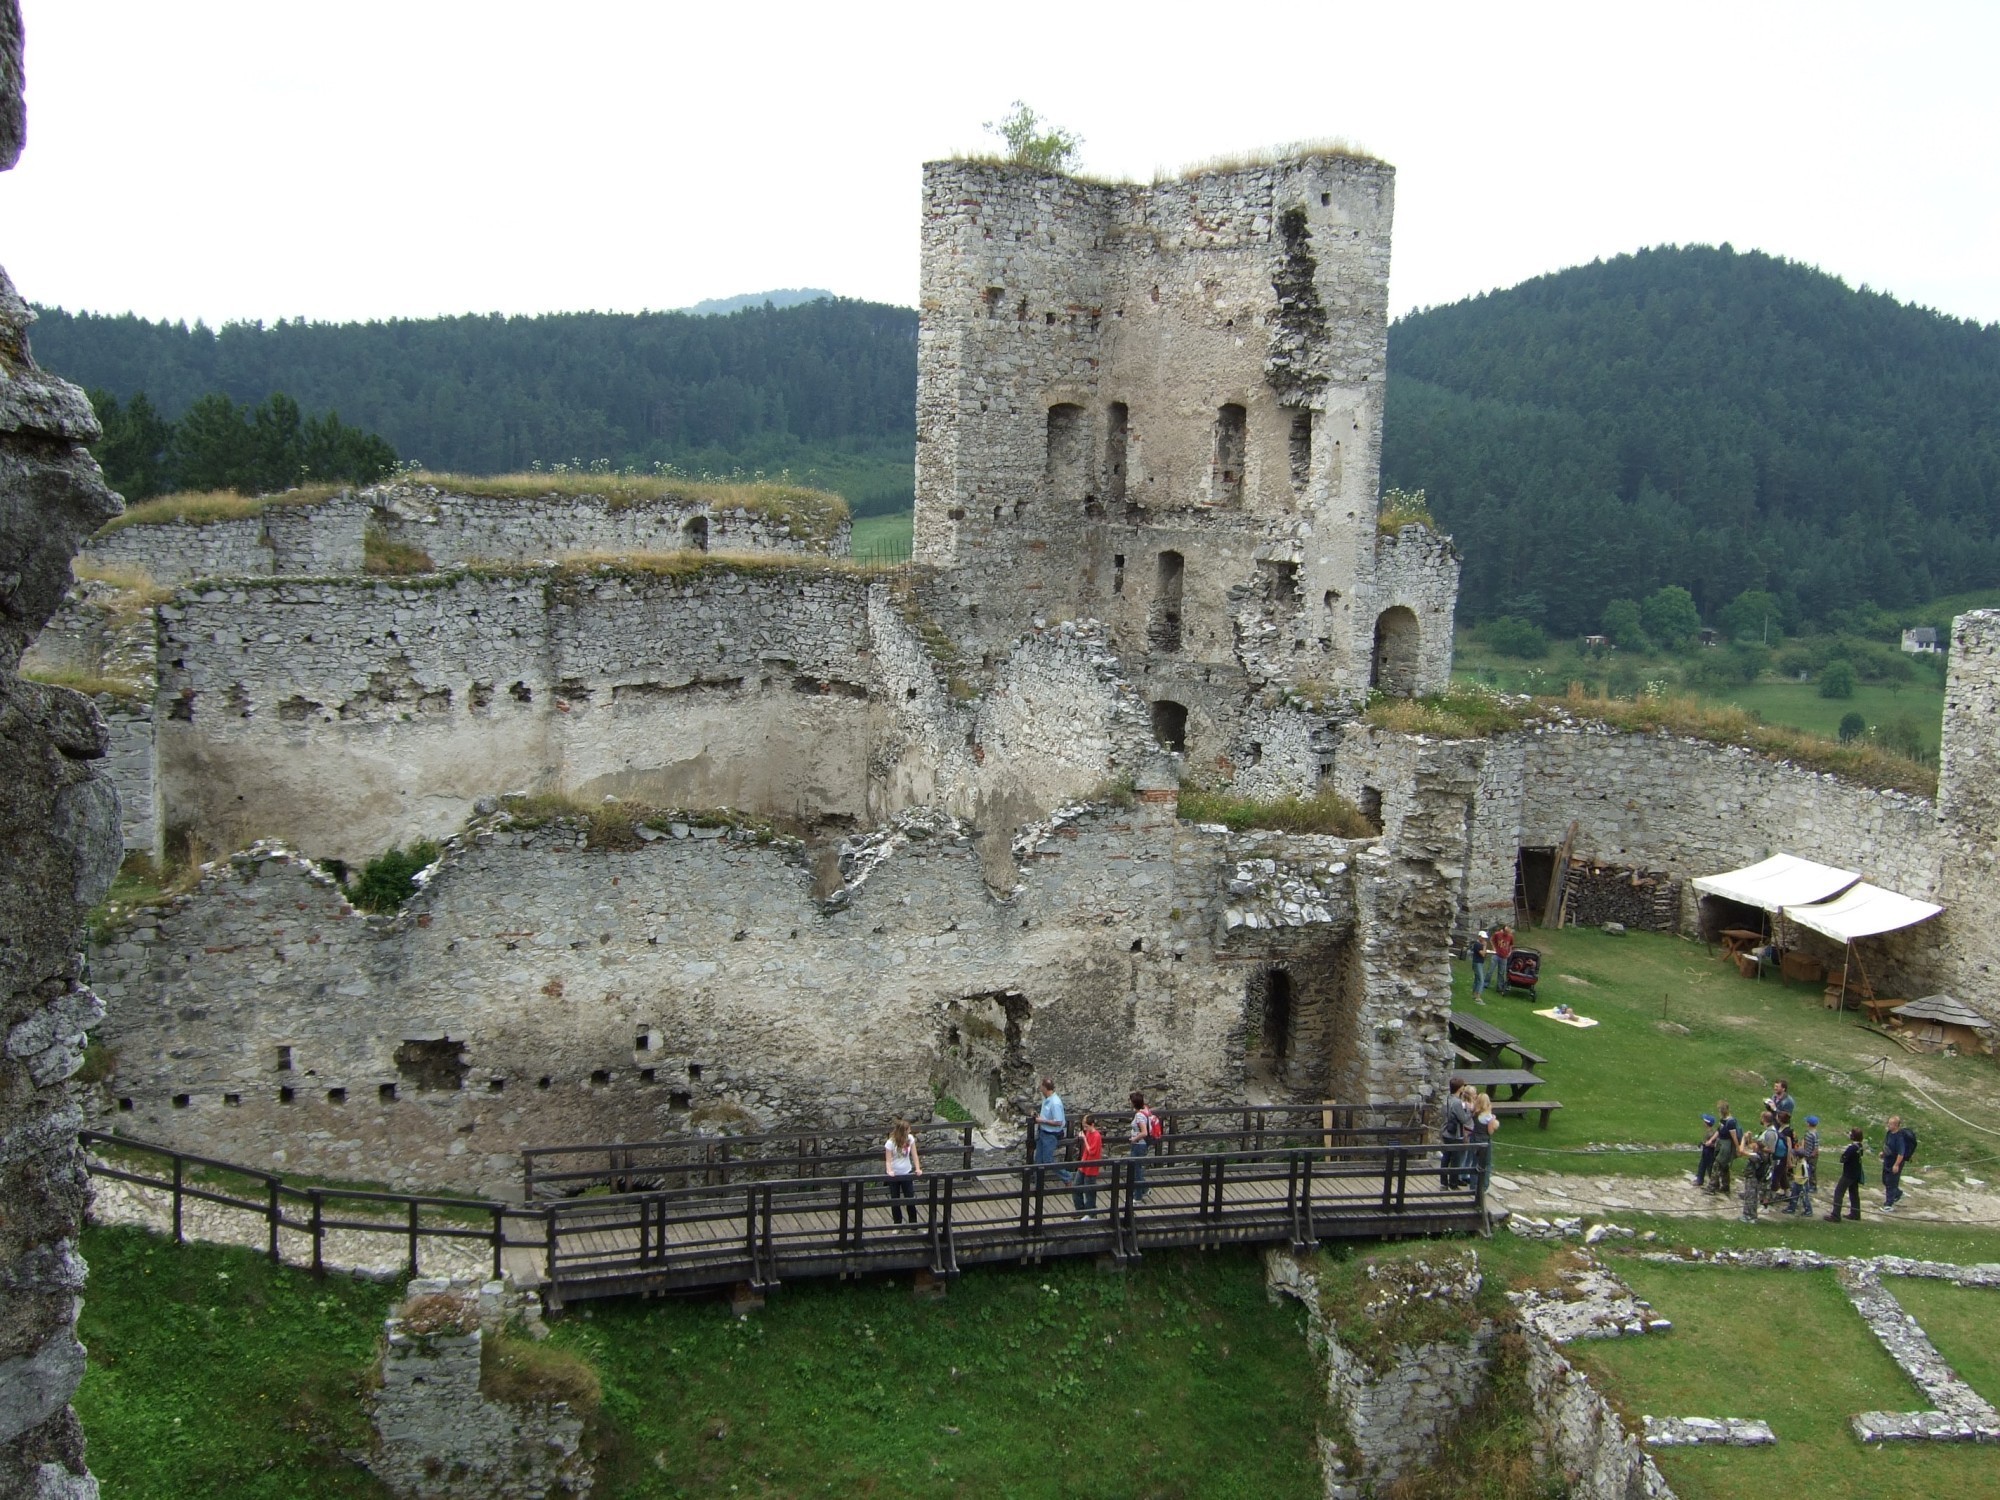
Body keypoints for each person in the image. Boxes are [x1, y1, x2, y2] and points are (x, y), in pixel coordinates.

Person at [884, 1117, 922, 1226]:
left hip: (906, 1172)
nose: (909, 1131)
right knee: (895, 1199)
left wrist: (918, 1168)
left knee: (910, 1198)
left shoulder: (910, 1139)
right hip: (895, 1174)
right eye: (907, 1130)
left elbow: (914, 1155)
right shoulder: (890, 1143)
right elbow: (888, 1160)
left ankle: (913, 1224)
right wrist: (890, 1171)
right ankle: (897, 1223)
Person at [1825, 1127, 1864, 1222]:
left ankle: (1836, 1215)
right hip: (1856, 1173)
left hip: (1848, 1174)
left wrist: (1843, 1156)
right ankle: (1855, 1213)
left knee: (1838, 1192)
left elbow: (1843, 1158)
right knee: (1854, 1193)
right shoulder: (1860, 1146)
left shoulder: (1852, 1148)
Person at [1442, 1081, 1475, 1187]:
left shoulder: (1448, 1098)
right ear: (1459, 1088)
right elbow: (1463, 1119)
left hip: (1446, 1131)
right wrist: (1471, 1112)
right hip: (1454, 1134)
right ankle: (1453, 1182)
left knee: (1446, 1157)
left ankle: (1444, 1181)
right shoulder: (1457, 1102)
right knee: (1455, 1159)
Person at [1072, 1113, 1103, 1215]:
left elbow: (1091, 1151)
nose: (1085, 1129)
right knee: (1076, 1187)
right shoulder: (1089, 1133)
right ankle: (1080, 1210)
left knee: (1089, 1191)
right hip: (1084, 1164)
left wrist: (1084, 1139)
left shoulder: (1096, 1136)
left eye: (1086, 1126)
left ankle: (1091, 1213)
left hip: (1091, 1167)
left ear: (1092, 1125)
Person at [1882, 1115, 1916, 1210]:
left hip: (1895, 1162)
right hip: (1887, 1160)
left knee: (1891, 1183)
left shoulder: (1900, 1137)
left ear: (1896, 1125)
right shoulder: (1889, 1133)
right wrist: (1883, 1153)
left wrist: (1896, 1165)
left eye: (1890, 1124)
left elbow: (1901, 1153)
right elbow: (1887, 1144)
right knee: (1885, 1180)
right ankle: (1898, 1194)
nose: (1888, 1125)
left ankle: (1888, 1205)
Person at [1788, 1115, 1820, 1216]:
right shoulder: (1809, 1133)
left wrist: (1812, 1154)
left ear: (1809, 1123)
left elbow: (1816, 1146)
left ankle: (1812, 1186)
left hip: (1809, 1156)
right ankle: (1792, 1207)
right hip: (1806, 1155)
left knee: (1810, 1171)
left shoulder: (1813, 1134)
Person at [1128, 1090, 1156, 1201]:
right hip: (1141, 1145)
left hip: (1139, 1145)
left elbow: (1144, 1132)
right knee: (1137, 1169)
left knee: (1136, 1171)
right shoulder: (1145, 1111)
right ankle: (1144, 1189)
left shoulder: (1139, 1115)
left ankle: (1138, 1197)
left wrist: (1134, 1139)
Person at [1034, 1078, 1067, 1169]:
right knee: (1038, 1160)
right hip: (1043, 1133)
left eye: (1041, 1086)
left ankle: (1067, 1176)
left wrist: (1042, 1121)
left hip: (1050, 1135)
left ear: (1045, 1088)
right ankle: (1038, 1178)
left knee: (1048, 1161)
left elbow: (1058, 1122)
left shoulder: (1055, 1103)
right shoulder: (1047, 1099)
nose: (1040, 1088)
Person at [1710, 1102, 1740, 1197]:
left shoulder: (1730, 1122)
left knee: (1717, 1164)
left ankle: (1712, 1187)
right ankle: (1725, 1186)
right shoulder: (1723, 1120)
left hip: (1726, 1145)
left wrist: (1738, 1148)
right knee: (1724, 1166)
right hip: (1721, 1142)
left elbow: (1734, 1136)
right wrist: (1711, 1140)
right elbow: (1719, 1131)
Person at [1473, 1091, 1499, 1197]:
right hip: (1484, 1141)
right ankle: (1484, 1186)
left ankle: (1473, 1185)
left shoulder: (1475, 1113)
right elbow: (1490, 1131)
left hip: (1475, 1139)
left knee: (1475, 1162)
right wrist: (1492, 1120)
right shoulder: (1488, 1117)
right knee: (1487, 1163)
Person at [1695, 1114, 1719, 1189]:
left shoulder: (1711, 1133)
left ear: (1706, 1123)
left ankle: (1713, 1183)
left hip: (1709, 1152)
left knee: (1709, 1167)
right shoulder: (1710, 1131)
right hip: (1706, 1151)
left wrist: (1707, 1144)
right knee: (1702, 1165)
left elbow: (1714, 1144)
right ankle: (1700, 1179)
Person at [1491, 925, 1515, 992]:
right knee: (1491, 970)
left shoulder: (1510, 936)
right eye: (1506, 932)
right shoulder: (1497, 934)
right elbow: (1492, 940)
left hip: (1504, 956)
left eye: (1508, 932)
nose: (1507, 933)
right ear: (1503, 930)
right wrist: (1494, 948)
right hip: (1496, 954)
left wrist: (1510, 952)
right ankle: (1485, 983)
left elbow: (1511, 945)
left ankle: (1499, 987)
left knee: (1501, 973)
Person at [1469, 931, 1490, 1003]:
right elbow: (1483, 954)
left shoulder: (1479, 944)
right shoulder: (1477, 944)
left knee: (1477, 979)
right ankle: (1478, 996)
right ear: (1479, 937)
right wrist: (1485, 946)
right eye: (1483, 938)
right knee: (1481, 980)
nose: (1484, 939)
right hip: (1477, 963)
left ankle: (1474, 993)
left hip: (1479, 963)